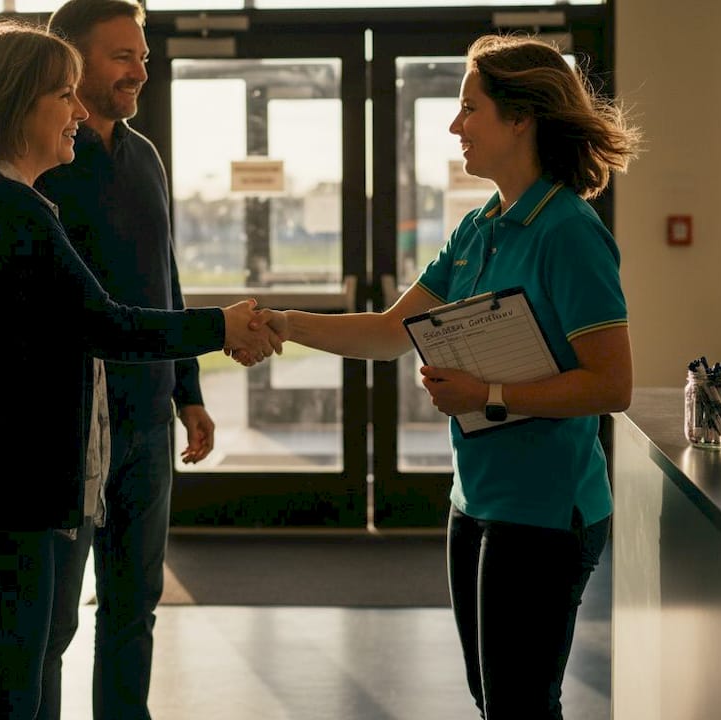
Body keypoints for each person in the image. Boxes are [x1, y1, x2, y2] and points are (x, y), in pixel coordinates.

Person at [0, 20, 279, 720]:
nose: (77, 110)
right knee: (4, 693)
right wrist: (222, 326)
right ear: (16, 103)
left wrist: (188, 380)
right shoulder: (2, 208)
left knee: (8, 683)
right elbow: (103, 324)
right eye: (63, 94)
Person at [253, 34, 640, 719]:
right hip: (475, 501)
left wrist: (487, 395)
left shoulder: (568, 232)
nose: (455, 125)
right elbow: (388, 332)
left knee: (520, 706)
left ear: (519, 118)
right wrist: (283, 322)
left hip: (547, 512)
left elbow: (611, 385)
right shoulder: (477, 227)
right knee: (493, 699)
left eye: (469, 108)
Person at [34, 3, 216, 718]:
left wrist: (187, 391)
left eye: (143, 56)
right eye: (123, 56)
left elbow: (164, 276)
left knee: (134, 607)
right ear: (72, 61)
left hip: (147, 424)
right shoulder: (44, 162)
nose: (140, 70)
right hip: (68, 426)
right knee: (52, 624)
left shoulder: (145, 157)